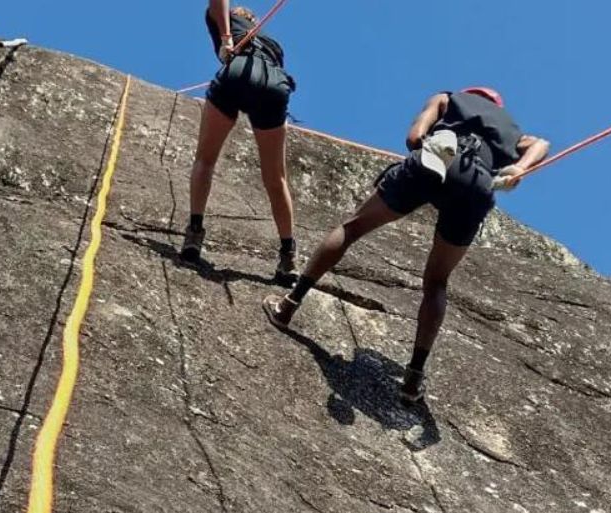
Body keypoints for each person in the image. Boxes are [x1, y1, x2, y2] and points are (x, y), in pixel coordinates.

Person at [262, 87, 550, 403]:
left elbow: (414, 138)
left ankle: (287, 307)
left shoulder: (449, 99)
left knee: (352, 228)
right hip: (477, 183)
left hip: (435, 159)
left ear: (472, 95)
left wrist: (425, 145)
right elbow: (541, 144)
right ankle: (412, 378)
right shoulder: (512, 132)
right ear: (498, 106)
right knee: (437, 281)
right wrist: (519, 170)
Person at [183, 0, 297, 284]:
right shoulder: (272, 42)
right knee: (276, 178)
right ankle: (287, 254)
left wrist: (224, 38)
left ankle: (194, 234)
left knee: (205, 160)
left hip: (237, 73)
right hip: (274, 84)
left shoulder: (225, 20)